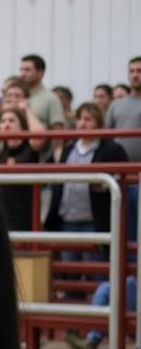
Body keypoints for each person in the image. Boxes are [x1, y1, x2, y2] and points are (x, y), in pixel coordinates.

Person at [44, 102, 128, 268]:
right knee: (69, 272)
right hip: (67, 220)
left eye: (88, 119)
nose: (82, 123)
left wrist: (103, 186)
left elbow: (122, 180)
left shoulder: (111, 149)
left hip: (94, 222)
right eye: (80, 119)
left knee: (95, 272)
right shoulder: (68, 149)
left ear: (98, 123)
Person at [107, 56, 141, 243]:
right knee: (123, 226)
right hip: (120, 176)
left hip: (139, 174)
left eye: (139, 71)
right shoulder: (116, 105)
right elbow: (107, 136)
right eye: (132, 71)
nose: (135, 75)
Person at [18, 54, 65, 128]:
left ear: (41, 73)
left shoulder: (51, 99)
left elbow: (58, 132)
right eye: (21, 70)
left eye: (27, 70)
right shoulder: (13, 96)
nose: (22, 74)